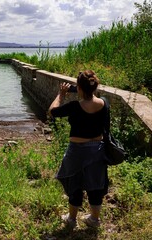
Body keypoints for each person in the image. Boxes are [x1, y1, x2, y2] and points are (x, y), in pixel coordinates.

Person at [48, 70, 109, 229]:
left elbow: (52, 111)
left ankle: (71, 219)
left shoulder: (74, 106)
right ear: (95, 87)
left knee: (75, 184)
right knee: (95, 186)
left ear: (79, 89)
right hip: (97, 150)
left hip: (76, 152)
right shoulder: (104, 103)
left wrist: (60, 95)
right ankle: (94, 220)